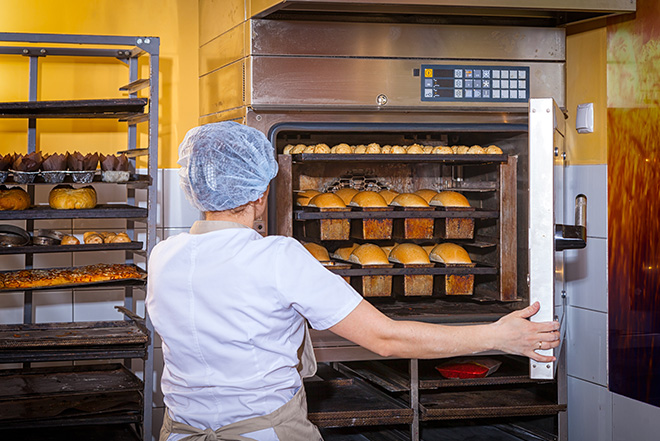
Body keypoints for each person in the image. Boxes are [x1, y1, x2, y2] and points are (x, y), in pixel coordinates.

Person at [146, 121, 560, 441]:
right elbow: (388, 339)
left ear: (196, 189)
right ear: (258, 194)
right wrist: (499, 336)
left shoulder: (164, 256)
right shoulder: (277, 257)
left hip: (180, 432)